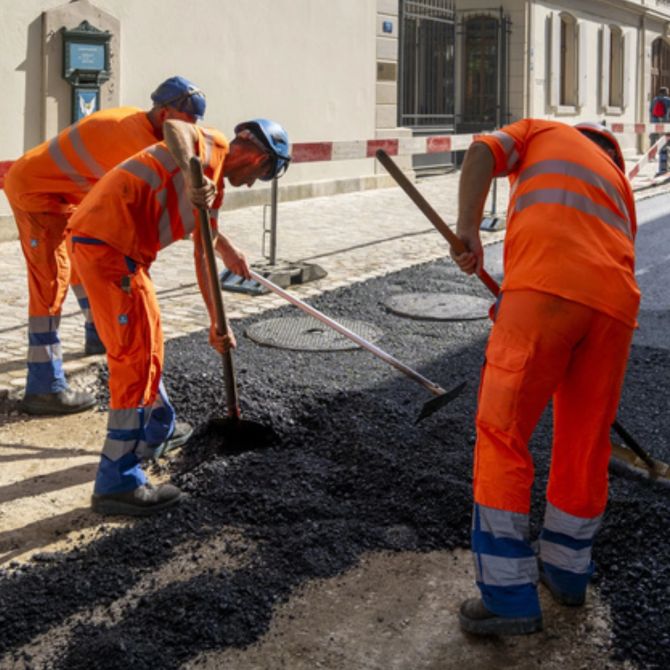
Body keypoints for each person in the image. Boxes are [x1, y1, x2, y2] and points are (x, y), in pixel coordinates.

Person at [451, 120, 639, 635]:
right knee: (584, 443)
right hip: (614, 311)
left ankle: (509, 596)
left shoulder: (539, 131)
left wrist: (468, 230)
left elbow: (481, 151)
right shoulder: (620, 185)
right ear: (612, 153)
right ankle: (567, 571)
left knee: (503, 433)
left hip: (543, 293)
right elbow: (597, 266)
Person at [66, 118, 291, 516]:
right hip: (111, 247)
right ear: (258, 155)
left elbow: (203, 251)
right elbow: (176, 127)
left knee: (147, 342)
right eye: (267, 171)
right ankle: (117, 481)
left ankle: (157, 427)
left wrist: (215, 321)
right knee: (135, 357)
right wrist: (192, 175)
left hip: (111, 246)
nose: (258, 182)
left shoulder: (214, 188)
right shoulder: (212, 149)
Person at [4, 76, 206, 415]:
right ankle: (43, 387)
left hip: (66, 198)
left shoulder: (140, 125)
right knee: (50, 283)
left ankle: (98, 333)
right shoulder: (134, 140)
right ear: (164, 113)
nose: (189, 131)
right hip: (34, 194)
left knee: (84, 261)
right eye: (186, 123)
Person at [649, 86, 670, 175]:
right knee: (665, 140)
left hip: (655, 121)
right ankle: (664, 158)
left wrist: (651, 120)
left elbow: (650, 110)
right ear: (666, 92)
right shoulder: (668, 100)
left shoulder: (654, 99)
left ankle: (651, 156)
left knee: (653, 138)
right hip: (665, 122)